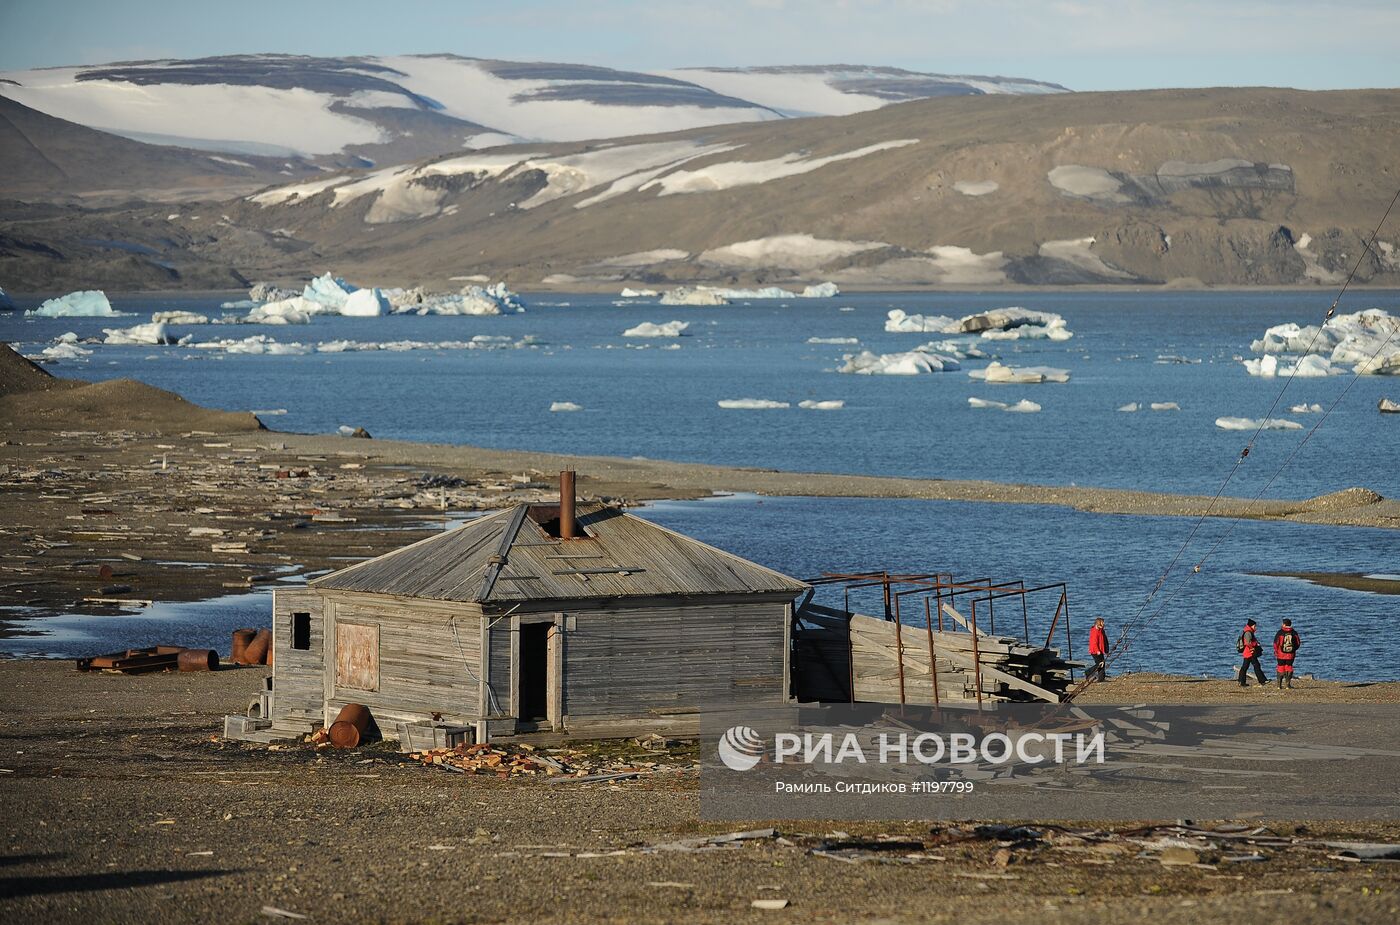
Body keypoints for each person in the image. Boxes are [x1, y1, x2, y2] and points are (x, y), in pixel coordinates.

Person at [1237, 618, 1268, 687]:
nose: (1255, 627)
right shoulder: (1248, 632)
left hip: (1248, 652)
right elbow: (1248, 643)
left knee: (1245, 667)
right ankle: (1262, 680)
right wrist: (1255, 644)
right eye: (1254, 626)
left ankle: (1241, 682)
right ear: (1251, 626)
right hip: (1250, 652)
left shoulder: (1247, 631)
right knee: (1256, 666)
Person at [1273, 619, 1302, 689]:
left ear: (1284, 624)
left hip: (1280, 654)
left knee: (1280, 667)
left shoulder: (1280, 632)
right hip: (1291, 654)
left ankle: (1279, 685)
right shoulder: (1294, 632)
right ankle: (1287, 685)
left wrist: (1276, 651)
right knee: (1289, 667)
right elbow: (1298, 643)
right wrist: (1293, 650)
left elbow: (1275, 644)